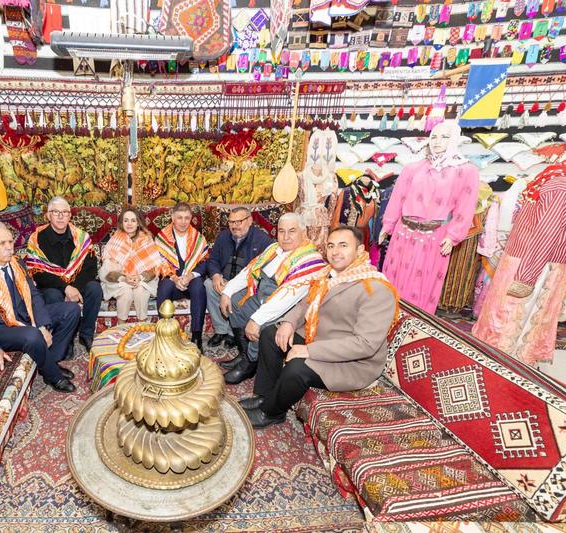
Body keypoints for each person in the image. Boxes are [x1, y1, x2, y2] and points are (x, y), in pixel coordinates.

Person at [242, 226, 399, 428]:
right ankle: (265, 396)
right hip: (320, 337)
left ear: (360, 250)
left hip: (353, 361)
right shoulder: (329, 275)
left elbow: (365, 344)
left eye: (343, 245)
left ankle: (271, 413)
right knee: (270, 333)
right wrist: (289, 323)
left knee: (297, 368)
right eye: (331, 246)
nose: (335, 252)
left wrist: (309, 350)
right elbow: (306, 304)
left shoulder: (376, 289)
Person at [0, 222, 80, 393]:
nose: (9, 247)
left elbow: (33, 295)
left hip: (23, 315)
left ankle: (50, 362)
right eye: (2, 243)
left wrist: (42, 325)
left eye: (10, 241)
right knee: (32, 335)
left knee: (71, 310)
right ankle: (53, 375)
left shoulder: (17, 263)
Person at [378, 120, 479, 314]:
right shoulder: (413, 168)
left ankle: (416, 323)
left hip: (434, 236)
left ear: (455, 140)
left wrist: (453, 236)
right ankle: (386, 319)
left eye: (445, 137)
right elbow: (398, 197)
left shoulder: (466, 171)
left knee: (423, 283)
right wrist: (387, 225)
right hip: (403, 233)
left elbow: (465, 206)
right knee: (394, 278)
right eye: (434, 137)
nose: (437, 141)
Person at [472, 164, 566, 366]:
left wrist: (526, 277)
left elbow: (546, 235)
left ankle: (508, 367)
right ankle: (500, 362)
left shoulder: (560, 186)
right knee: (504, 317)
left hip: (534, 264)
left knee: (513, 321)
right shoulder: (554, 176)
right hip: (523, 257)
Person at [219, 212, 326, 384]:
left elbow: (285, 298)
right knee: (235, 301)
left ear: (303, 232)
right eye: (281, 231)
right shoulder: (273, 249)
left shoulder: (310, 259)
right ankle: (245, 354)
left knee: (262, 325)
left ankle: (250, 362)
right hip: (263, 298)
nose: (286, 237)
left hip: (285, 308)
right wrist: (227, 292)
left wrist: (256, 320)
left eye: (292, 231)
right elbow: (249, 271)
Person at [25, 196, 101, 352]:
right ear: (48, 215)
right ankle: (66, 339)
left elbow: (91, 268)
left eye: (65, 212)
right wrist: (65, 288)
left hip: (77, 283)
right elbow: (38, 273)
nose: (61, 216)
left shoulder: (81, 236)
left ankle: (86, 334)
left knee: (95, 288)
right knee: (52, 295)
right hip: (52, 285)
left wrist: (74, 288)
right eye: (56, 212)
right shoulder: (37, 238)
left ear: (70, 215)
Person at [205, 207, 272, 351]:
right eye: (231, 222)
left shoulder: (262, 240)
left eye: (239, 221)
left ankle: (232, 333)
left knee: (235, 296)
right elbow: (213, 260)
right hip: (224, 279)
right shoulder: (223, 237)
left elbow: (264, 270)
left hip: (246, 284)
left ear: (249, 221)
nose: (234, 226)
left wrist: (236, 286)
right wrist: (216, 275)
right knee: (208, 285)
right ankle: (221, 330)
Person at [155, 202, 209, 352]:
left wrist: (190, 276)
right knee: (164, 286)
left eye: (187, 218)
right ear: (172, 218)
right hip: (172, 281)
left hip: (191, 281)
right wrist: (174, 278)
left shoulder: (198, 238)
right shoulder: (162, 237)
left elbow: (204, 262)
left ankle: (196, 337)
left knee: (199, 286)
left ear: (191, 218)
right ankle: (166, 335)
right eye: (179, 218)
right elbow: (159, 262)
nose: (183, 222)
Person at [100, 208, 163, 321]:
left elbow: (155, 268)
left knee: (140, 290)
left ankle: (142, 323)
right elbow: (107, 272)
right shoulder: (115, 240)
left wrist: (140, 277)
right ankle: (121, 324)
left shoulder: (147, 240)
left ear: (138, 223)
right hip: (119, 280)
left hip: (143, 279)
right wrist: (124, 278)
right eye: (126, 220)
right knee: (126, 292)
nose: (129, 224)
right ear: (121, 223)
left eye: (133, 220)